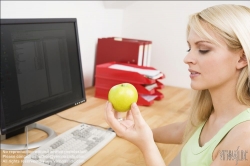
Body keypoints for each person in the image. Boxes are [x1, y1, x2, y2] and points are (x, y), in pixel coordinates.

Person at [104, 4, 250, 166]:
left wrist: (146, 145)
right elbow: (182, 130)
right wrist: (139, 132)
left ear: (242, 58)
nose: (187, 58)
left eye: (203, 49)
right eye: (189, 47)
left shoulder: (244, 142)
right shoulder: (215, 114)